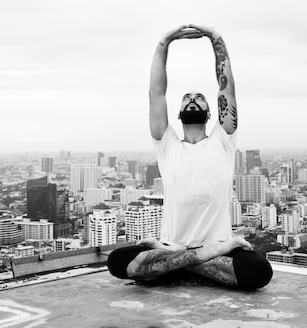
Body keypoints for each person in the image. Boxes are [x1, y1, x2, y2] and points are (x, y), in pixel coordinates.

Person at [107, 24, 272, 290]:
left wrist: (215, 38)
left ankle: (177, 264)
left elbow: (226, 90)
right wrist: (164, 43)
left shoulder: (223, 140)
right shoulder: (167, 145)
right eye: (186, 97)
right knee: (117, 260)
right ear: (179, 112)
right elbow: (156, 95)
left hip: (209, 249)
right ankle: (199, 260)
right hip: (185, 248)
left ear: (210, 113)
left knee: (259, 271)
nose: (192, 99)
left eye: (199, 97)